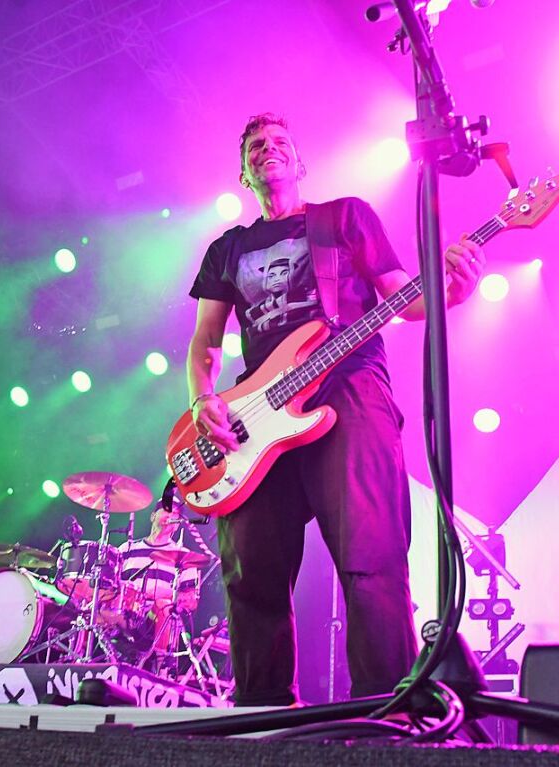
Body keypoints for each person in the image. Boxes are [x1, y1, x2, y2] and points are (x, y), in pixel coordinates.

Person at [185, 113, 486, 706]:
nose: (268, 150)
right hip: (258, 411)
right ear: (244, 172)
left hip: (349, 385)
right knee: (250, 570)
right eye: (256, 146)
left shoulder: (344, 216)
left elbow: (405, 295)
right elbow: (206, 343)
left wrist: (451, 291)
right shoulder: (227, 250)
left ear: (299, 164)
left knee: (370, 553)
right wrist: (202, 400)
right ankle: (261, 716)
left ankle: (386, 713)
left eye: (280, 144)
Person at [111, 493, 203, 671]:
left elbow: (191, 602)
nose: (170, 516)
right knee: (92, 605)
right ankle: (79, 658)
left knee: (164, 606)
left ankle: (162, 669)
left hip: (156, 617)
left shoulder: (184, 556)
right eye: (166, 510)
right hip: (125, 613)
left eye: (176, 514)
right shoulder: (127, 548)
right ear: (153, 516)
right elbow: (112, 588)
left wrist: (164, 596)